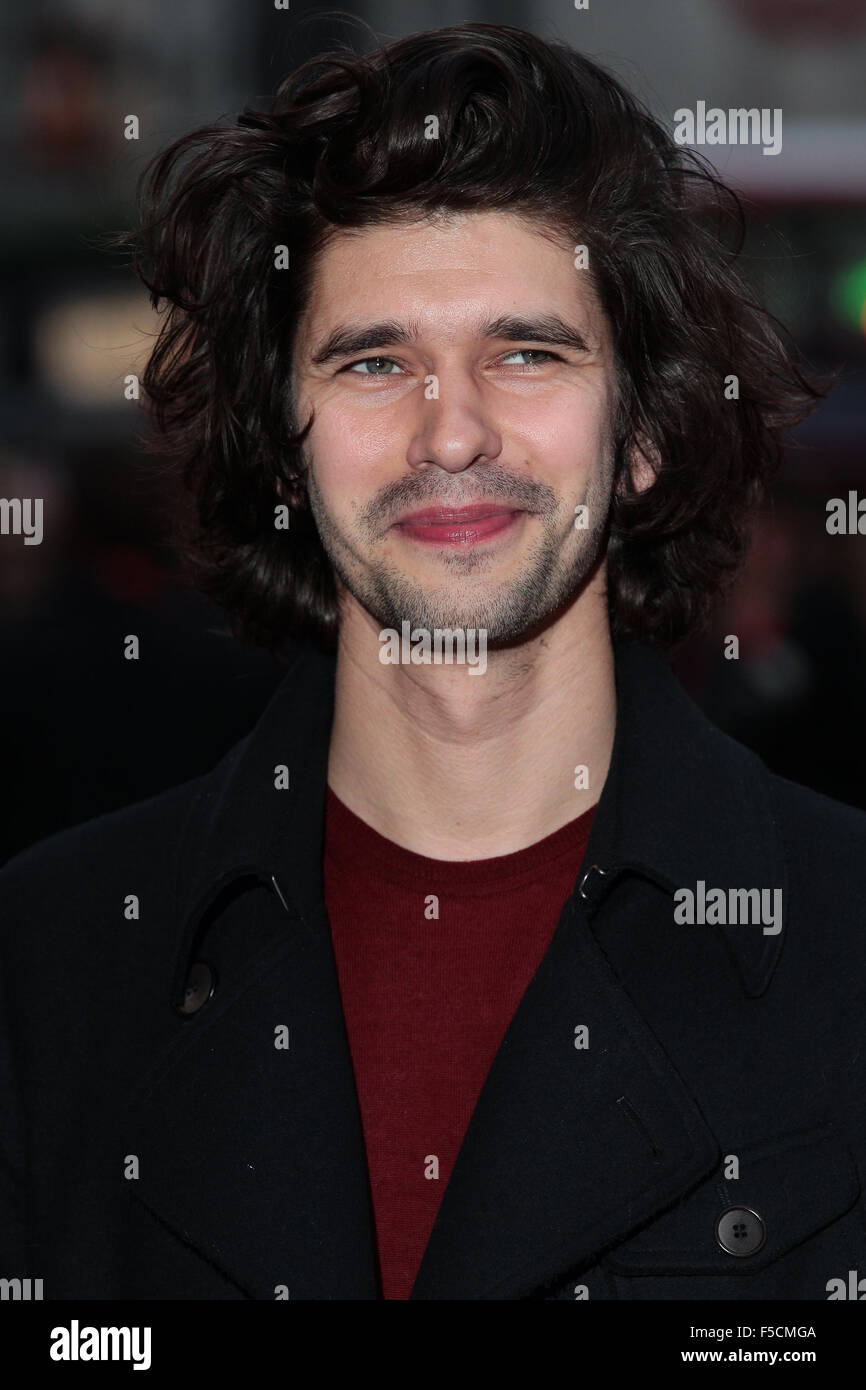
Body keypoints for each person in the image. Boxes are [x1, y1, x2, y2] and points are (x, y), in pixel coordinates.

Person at [1, 22, 864, 1303]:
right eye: (373, 361)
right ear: (285, 443)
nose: (448, 431)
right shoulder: (47, 962)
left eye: (525, 353)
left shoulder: (841, 941)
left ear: (639, 434)